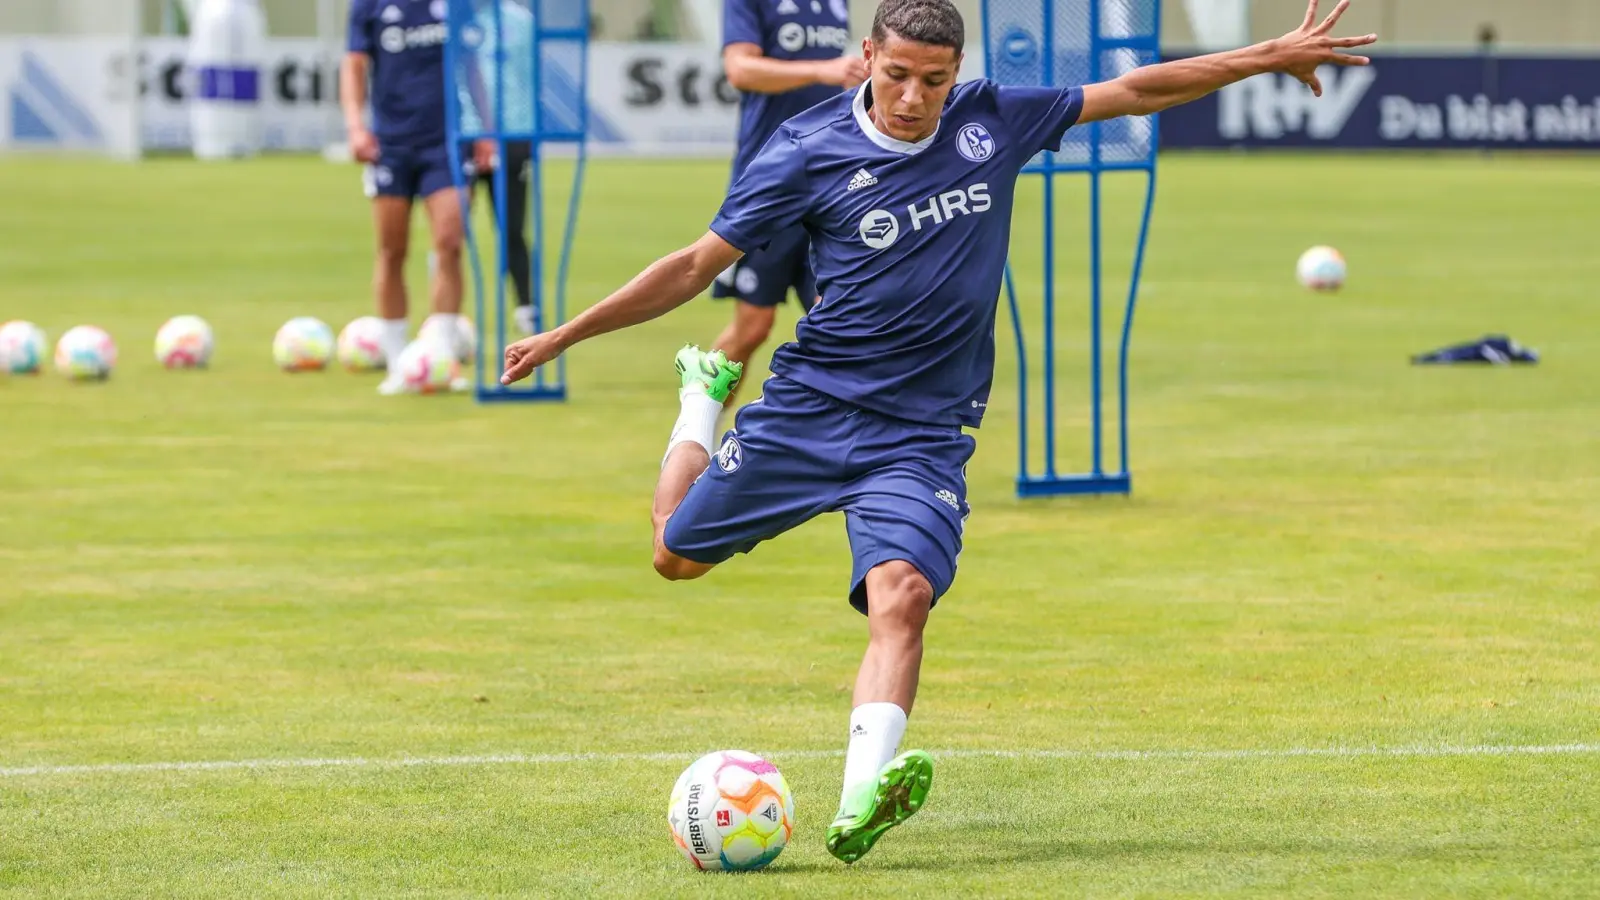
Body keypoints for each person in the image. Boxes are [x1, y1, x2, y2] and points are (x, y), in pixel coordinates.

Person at [500, 0, 1375, 864]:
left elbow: (1136, 91)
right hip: (810, 410)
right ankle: (702, 394)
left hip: (920, 434)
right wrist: (564, 334)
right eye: (897, 76)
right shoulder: (805, 150)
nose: (915, 97)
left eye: (935, 80)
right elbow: (695, 265)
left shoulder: (992, 118)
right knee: (673, 555)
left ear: (956, 74)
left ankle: (857, 804)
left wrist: (1263, 55)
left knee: (903, 595)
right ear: (868, 56)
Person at [710, 0, 867, 413]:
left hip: (832, 186)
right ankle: (694, 429)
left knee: (839, 322)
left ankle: (824, 453)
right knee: (753, 328)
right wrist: (822, 70)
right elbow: (740, 69)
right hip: (769, 185)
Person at [342, 0, 482, 393]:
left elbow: (471, 65)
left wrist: (485, 128)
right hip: (391, 144)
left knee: (450, 242)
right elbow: (354, 65)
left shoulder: (456, 5)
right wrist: (355, 127)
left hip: (448, 143)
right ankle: (396, 361)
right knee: (391, 250)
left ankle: (440, 358)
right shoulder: (368, 6)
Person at [457, 0, 538, 336]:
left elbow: (530, 81)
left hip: (512, 133)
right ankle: (447, 316)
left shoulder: (521, 21)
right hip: (462, 130)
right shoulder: (451, 14)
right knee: (449, 229)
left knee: (512, 227)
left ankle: (526, 307)